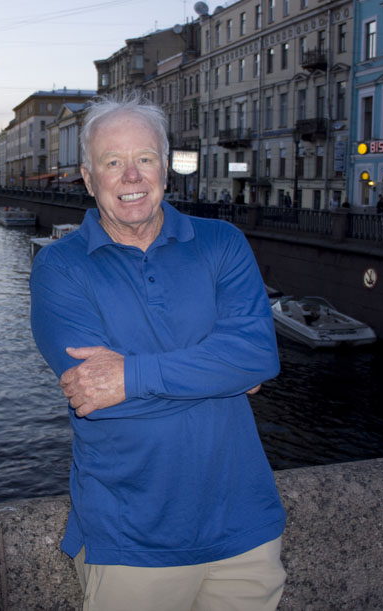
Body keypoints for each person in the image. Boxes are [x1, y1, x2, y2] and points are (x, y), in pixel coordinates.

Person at [30, 95, 285, 611]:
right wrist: (222, 371)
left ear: (165, 168)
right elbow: (97, 393)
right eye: (113, 162)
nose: (131, 176)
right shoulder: (59, 267)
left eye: (144, 159)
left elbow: (258, 355)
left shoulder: (222, 242)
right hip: (130, 543)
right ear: (87, 176)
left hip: (246, 533)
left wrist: (132, 374)